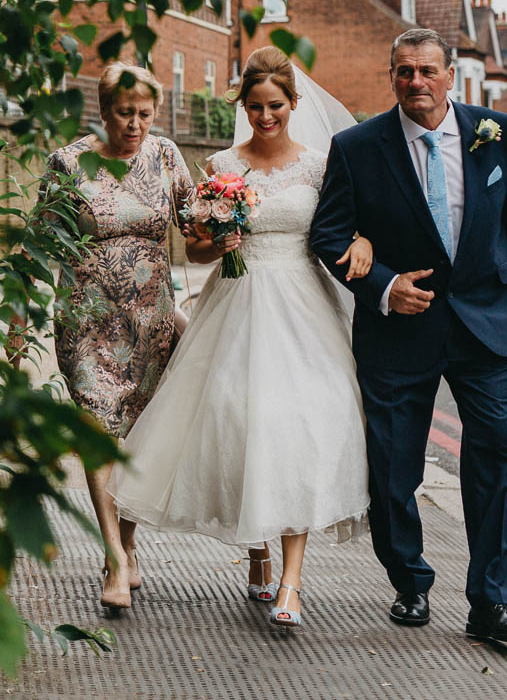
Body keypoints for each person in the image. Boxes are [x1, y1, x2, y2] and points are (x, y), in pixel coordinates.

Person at [112, 46, 372, 628]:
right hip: (236, 299)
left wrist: (365, 242)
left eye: (275, 105)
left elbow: (346, 223)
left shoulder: (320, 163)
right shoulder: (224, 164)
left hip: (303, 307)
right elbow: (197, 245)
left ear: (293, 103)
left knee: (296, 426)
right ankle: (255, 550)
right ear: (243, 107)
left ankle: (291, 580)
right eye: (255, 107)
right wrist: (217, 243)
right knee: (237, 421)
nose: (265, 116)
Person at [310, 28, 507, 643]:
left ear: (450, 74)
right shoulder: (357, 147)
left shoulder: (496, 132)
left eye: (426, 71)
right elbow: (328, 234)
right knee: (393, 468)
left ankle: (494, 603)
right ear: (390, 76)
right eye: (403, 72)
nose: (415, 82)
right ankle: (409, 581)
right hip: (400, 331)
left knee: (497, 455)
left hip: (489, 319)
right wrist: (386, 286)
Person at [41, 62, 193, 612]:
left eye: (145, 114)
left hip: (151, 322)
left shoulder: (166, 156)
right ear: (102, 110)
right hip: (87, 321)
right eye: (124, 113)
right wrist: (15, 326)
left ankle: (129, 542)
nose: (135, 125)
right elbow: (42, 243)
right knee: (99, 432)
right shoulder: (67, 162)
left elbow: (196, 229)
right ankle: (111, 553)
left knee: (139, 437)